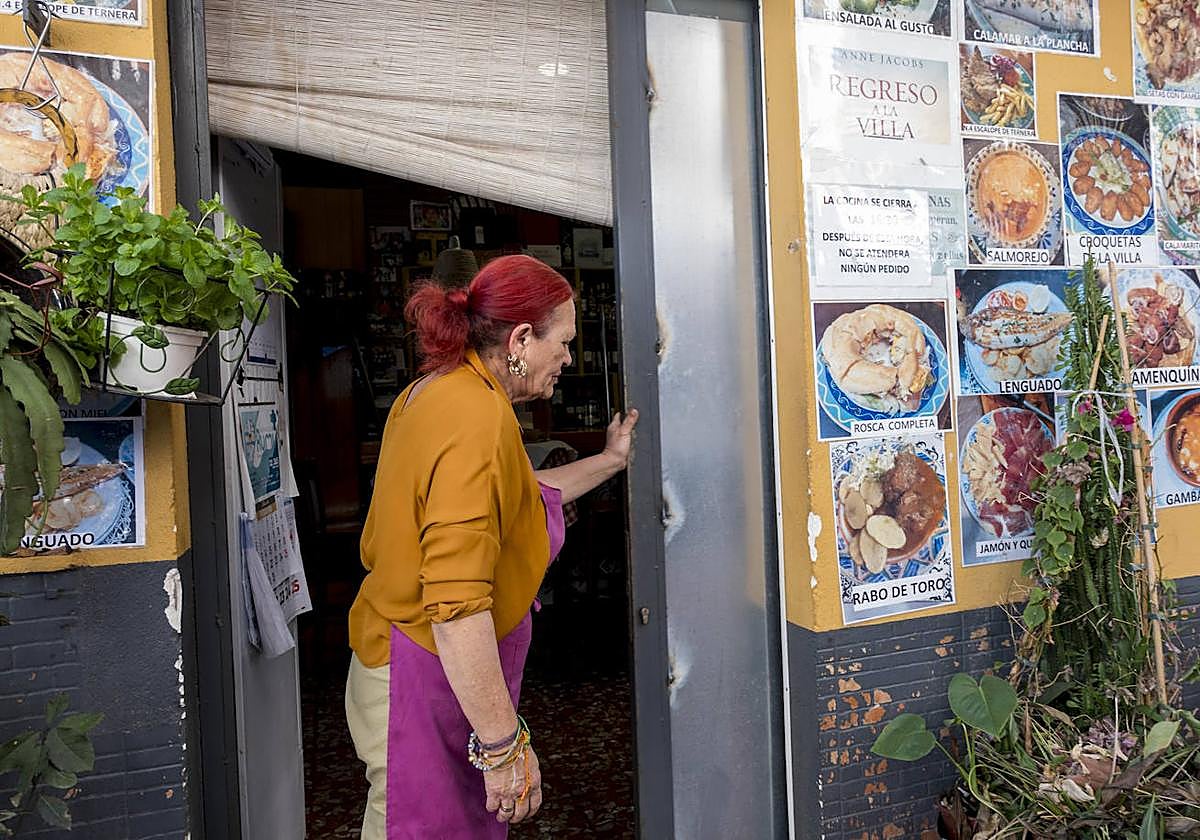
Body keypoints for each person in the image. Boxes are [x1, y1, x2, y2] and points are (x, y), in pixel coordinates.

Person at [345, 254, 639, 839]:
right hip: (422, 672)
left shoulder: (437, 391)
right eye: (564, 342)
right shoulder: (476, 417)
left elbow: (520, 498)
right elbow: (456, 605)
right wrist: (504, 747)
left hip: (412, 660)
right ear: (523, 338)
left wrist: (609, 460)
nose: (569, 359)